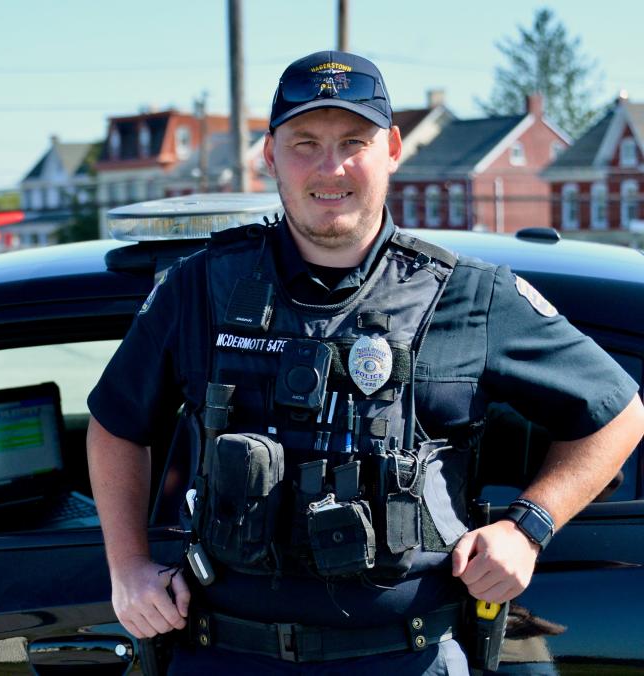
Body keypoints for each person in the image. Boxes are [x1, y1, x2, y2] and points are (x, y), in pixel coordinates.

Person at [86, 50, 644, 675]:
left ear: (393, 149)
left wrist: (528, 527)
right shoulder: (198, 290)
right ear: (269, 154)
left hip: (409, 657)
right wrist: (128, 566)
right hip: (229, 655)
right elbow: (116, 425)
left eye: (355, 140)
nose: (332, 167)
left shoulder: (469, 295)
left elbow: (620, 412)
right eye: (305, 142)